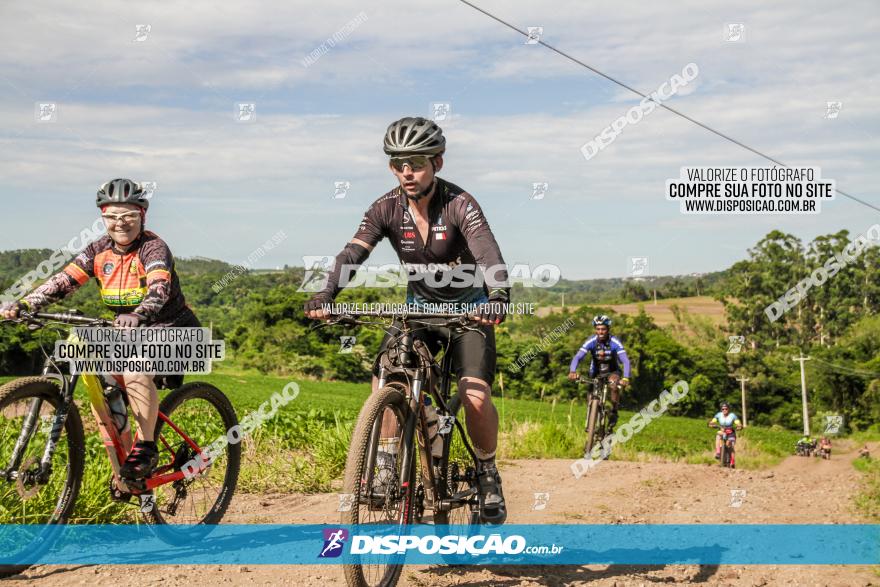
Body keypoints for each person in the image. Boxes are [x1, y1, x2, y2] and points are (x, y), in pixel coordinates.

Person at [304, 116, 510, 524]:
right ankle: (385, 464)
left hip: (468, 312)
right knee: (384, 379)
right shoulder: (384, 208)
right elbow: (352, 254)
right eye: (398, 163)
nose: (407, 171)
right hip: (417, 309)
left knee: (474, 395)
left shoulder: (460, 204)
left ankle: (487, 470)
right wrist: (325, 292)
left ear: (437, 162)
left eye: (415, 162)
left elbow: (488, 254)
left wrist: (498, 295)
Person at [0, 179, 199, 482]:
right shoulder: (98, 250)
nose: (120, 223)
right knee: (102, 392)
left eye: (128, 215)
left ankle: (146, 448)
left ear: (142, 216)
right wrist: (26, 305)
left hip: (171, 328)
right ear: (103, 217)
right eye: (111, 216)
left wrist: (138, 313)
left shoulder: (153, 247)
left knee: (134, 367)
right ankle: (123, 473)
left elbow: (159, 288)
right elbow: (63, 281)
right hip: (127, 331)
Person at [567, 315, 631, 431]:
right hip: (595, 371)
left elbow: (625, 361)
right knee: (590, 395)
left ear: (608, 329)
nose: (600, 332)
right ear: (595, 330)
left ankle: (614, 412)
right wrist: (572, 371)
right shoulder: (591, 341)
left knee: (613, 385)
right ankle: (591, 418)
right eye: (598, 329)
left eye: (603, 329)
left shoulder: (614, 342)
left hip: (612, 370)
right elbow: (578, 357)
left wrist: (626, 378)